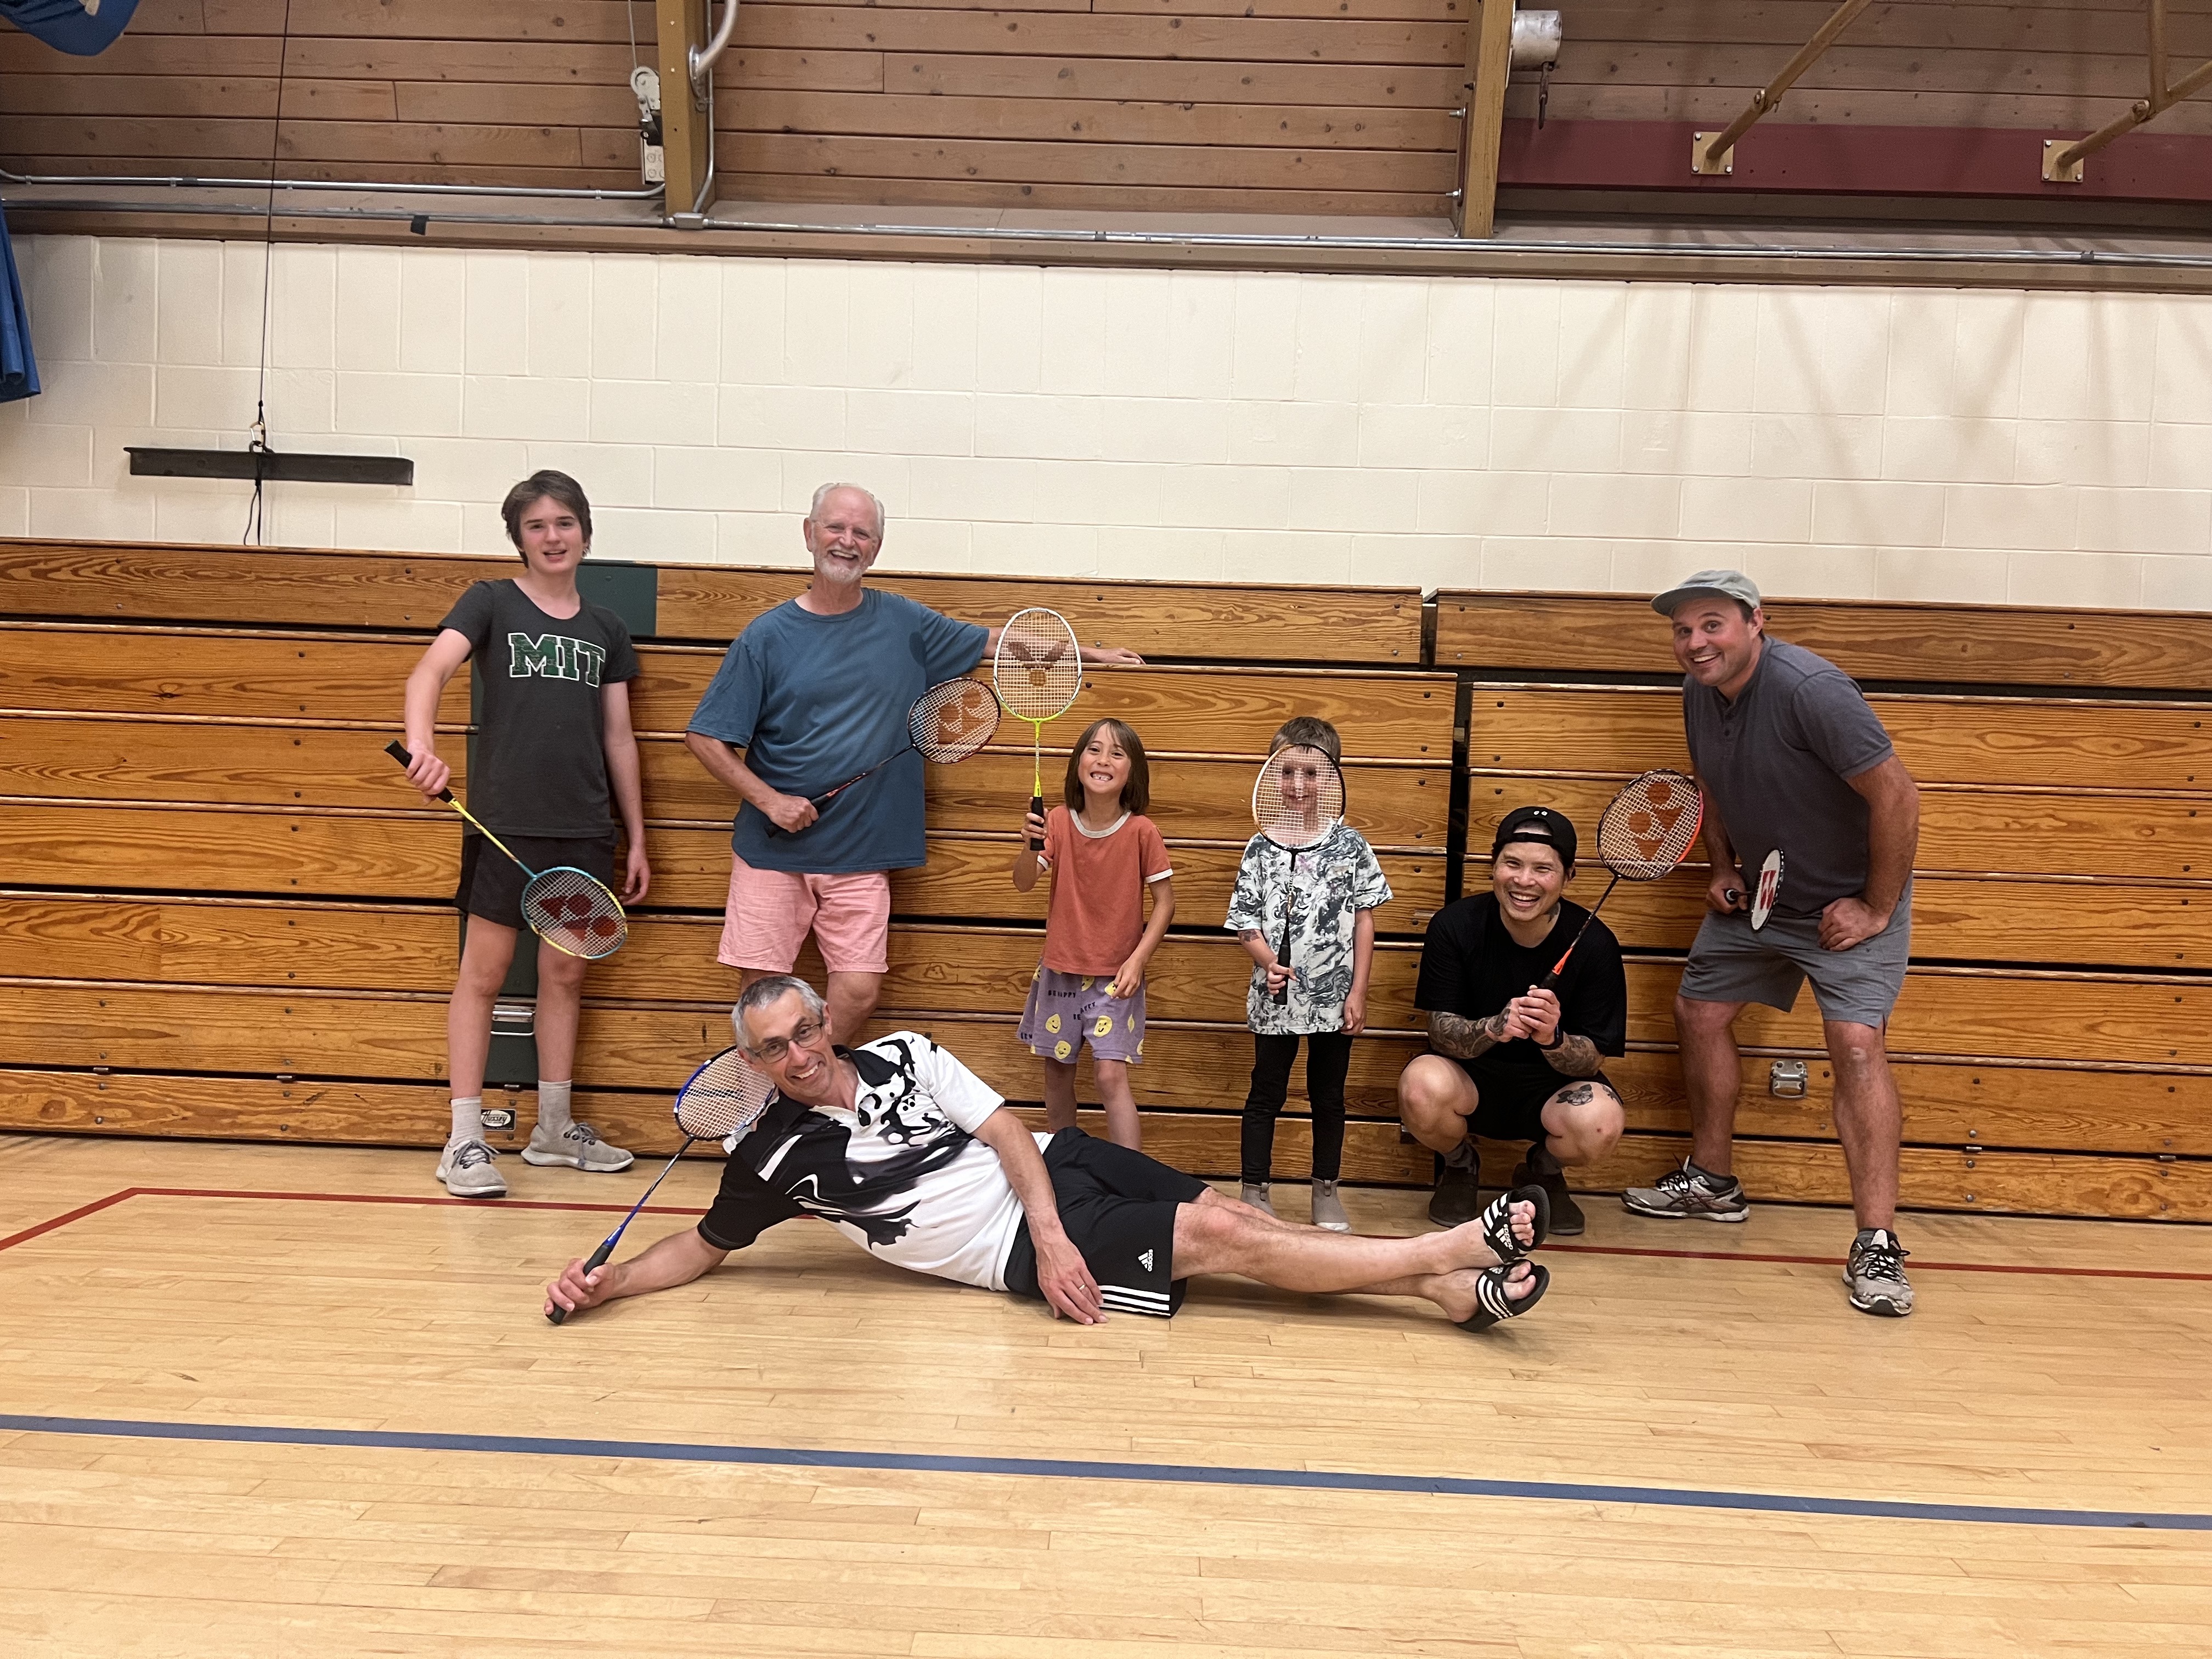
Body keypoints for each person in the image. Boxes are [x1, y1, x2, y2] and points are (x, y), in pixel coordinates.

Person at [543, 975, 1556, 1335]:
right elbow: (702, 1247)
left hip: (1050, 1170)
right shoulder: (770, 1156)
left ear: (825, 1021)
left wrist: (1055, 1219)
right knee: (1226, 1239)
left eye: (805, 1030)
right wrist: (611, 1280)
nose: (799, 1055)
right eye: (774, 1048)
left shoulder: (906, 1053)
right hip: (1011, 1249)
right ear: (753, 1062)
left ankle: (1448, 1294)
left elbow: (1002, 1131)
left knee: (1238, 1218)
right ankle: (1450, 1250)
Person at [683, 483, 1142, 1045]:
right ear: (809, 534)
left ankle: (806, 1083)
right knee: (763, 997)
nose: (847, 541)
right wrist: (770, 801)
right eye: (835, 528)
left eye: (862, 533)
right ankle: (788, 1094)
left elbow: (994, 643)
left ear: (875, 549)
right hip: (771, 851)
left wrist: (1090, 653)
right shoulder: (766, 637)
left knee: (858, 992)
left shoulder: (904, 623)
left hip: (861, 852)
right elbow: (705, 737)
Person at [1623, 571, 1922, 1319]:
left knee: (1857, 1046)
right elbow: (1711, 785)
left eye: (1712, 625)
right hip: (1761, 893)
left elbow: (1898, 795)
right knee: (1699, 1013)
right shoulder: (1699, 691)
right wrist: (1722, 866)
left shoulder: (1811, 690)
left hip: (1848, 901)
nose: (1696, 643)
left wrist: (1875, 907)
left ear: (1756, 622)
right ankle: (1713, 1182)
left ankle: (1877, 1243)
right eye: (1684, 630)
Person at [399, 471, 649, 1198]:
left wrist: (635, 835)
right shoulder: (491, 602)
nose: (552, 536)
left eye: (564, 523)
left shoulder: (606, 628)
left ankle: (554, 1130)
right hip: (505, 824)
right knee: (483, 975)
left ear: (585, 533)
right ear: (520, 538)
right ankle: (464, 1139)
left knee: (565, 976)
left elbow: (620, 738)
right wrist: (421, 746)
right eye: (536, 525)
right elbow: (428, 673)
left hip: (584, 828)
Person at [1398, 806, 1627, 1237]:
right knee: (1420, 1087)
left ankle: (1542, 1172)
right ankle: (1459, 1166)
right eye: (1513, 864)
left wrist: (1553, 1038)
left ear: (1568, 875)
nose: (1524, 881)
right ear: (1493, 865)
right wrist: (1493, 1027)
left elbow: (1592, 1058)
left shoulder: (1596, 943)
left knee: (1601, 1123)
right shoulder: (1455, 925)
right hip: (1469, 1078)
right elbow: (1440, 1032)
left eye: (1543, 869)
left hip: (1551, 1089)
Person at [1226, 717, 1392, 1231]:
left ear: (1333, 777)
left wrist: (1358, 991)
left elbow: (1364, 920)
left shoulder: (1353, 846)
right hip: (1275, 998)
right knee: (1266, 1093)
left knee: (1329, 1097)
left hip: (1334, 999)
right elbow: (1245, 923)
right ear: (1272, 775)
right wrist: (1267, 962)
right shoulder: (1259, 848)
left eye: (1312, 773)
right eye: (1287, 771)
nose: (1298, 784)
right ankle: (1254, 1190)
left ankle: (1326, 1191)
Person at [1011, 718, 1174, 1150]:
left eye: (1117, 753)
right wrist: (1029, 845)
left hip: (1116, 979)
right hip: (1059, 973)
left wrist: (1137, 960)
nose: (1103, 760)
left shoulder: (1142, 831)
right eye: (1094, 750)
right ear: (1078, 762)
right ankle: (1066, 1168)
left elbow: (1166, 903)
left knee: (1109, 1076)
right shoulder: (1056, 822)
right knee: (1057, 1075)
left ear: (1132, 771)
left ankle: (1128, 1176)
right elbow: (1024, 882)